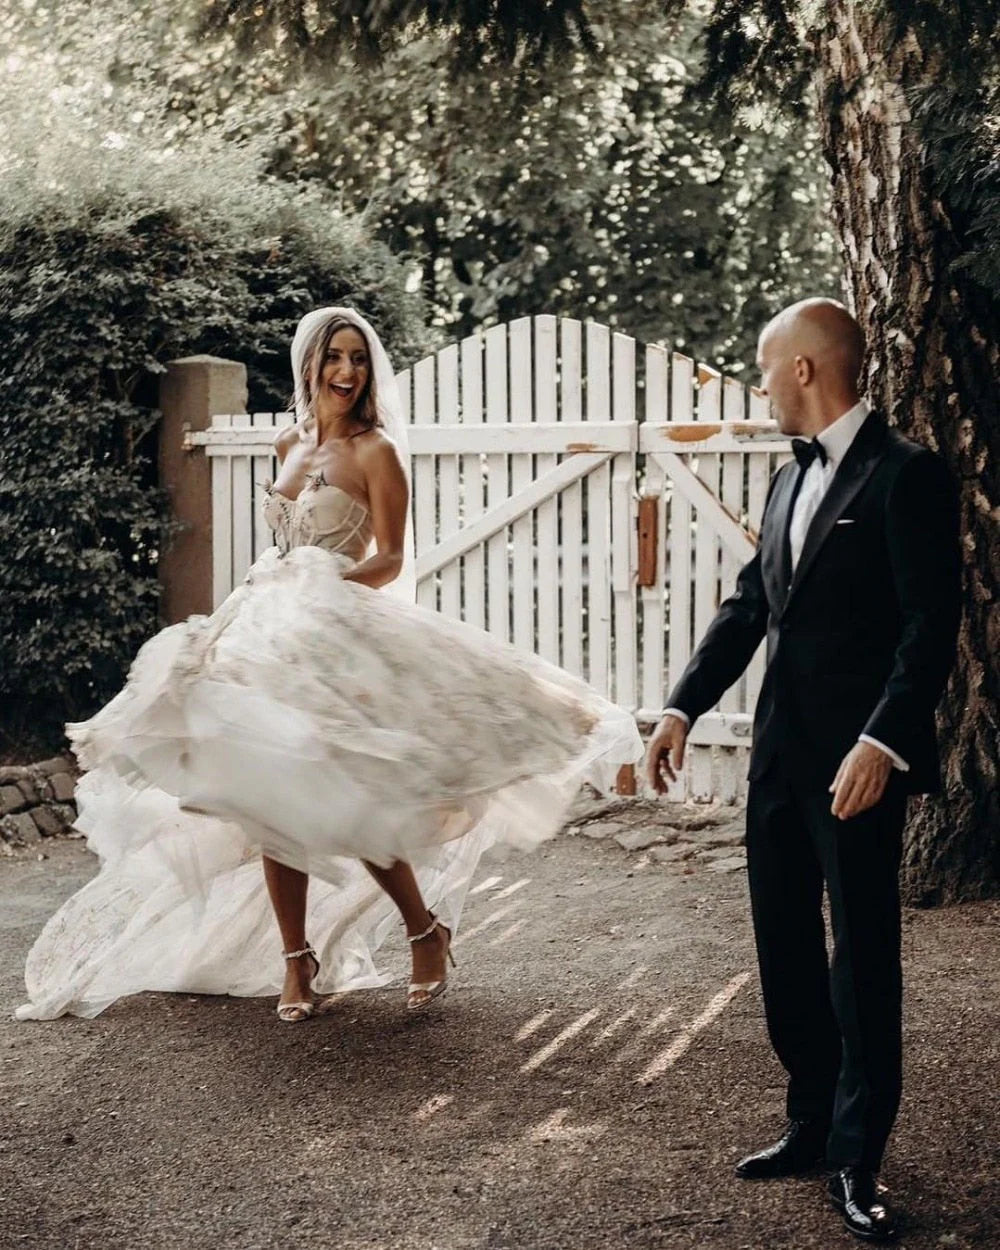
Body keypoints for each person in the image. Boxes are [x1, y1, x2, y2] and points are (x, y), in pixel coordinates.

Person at [17, 307, 642, 1024]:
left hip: (333, 633)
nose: (348, 372)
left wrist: (323, 589)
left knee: (354, 796)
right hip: (264, 630)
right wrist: (276, 593)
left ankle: (424, 931)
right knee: (263, 792)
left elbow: (392, 559)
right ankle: (297, 960)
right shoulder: (289, 440)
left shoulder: (378, 451)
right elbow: (282, 542)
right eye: (335, 358)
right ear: (310, 366)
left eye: (359, 360)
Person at [646, 298, 961, 1243]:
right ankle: (812, 1124)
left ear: (807, 369)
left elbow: (929, 627)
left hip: (859, 762)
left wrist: (884, 741)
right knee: (782, 947)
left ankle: (861, 1158)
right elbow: (752, 606)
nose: (760, 381)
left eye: (764, 364)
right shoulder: (786, 482)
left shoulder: (911, 477)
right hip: (781, 757)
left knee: (862, 958)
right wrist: (680, 704)